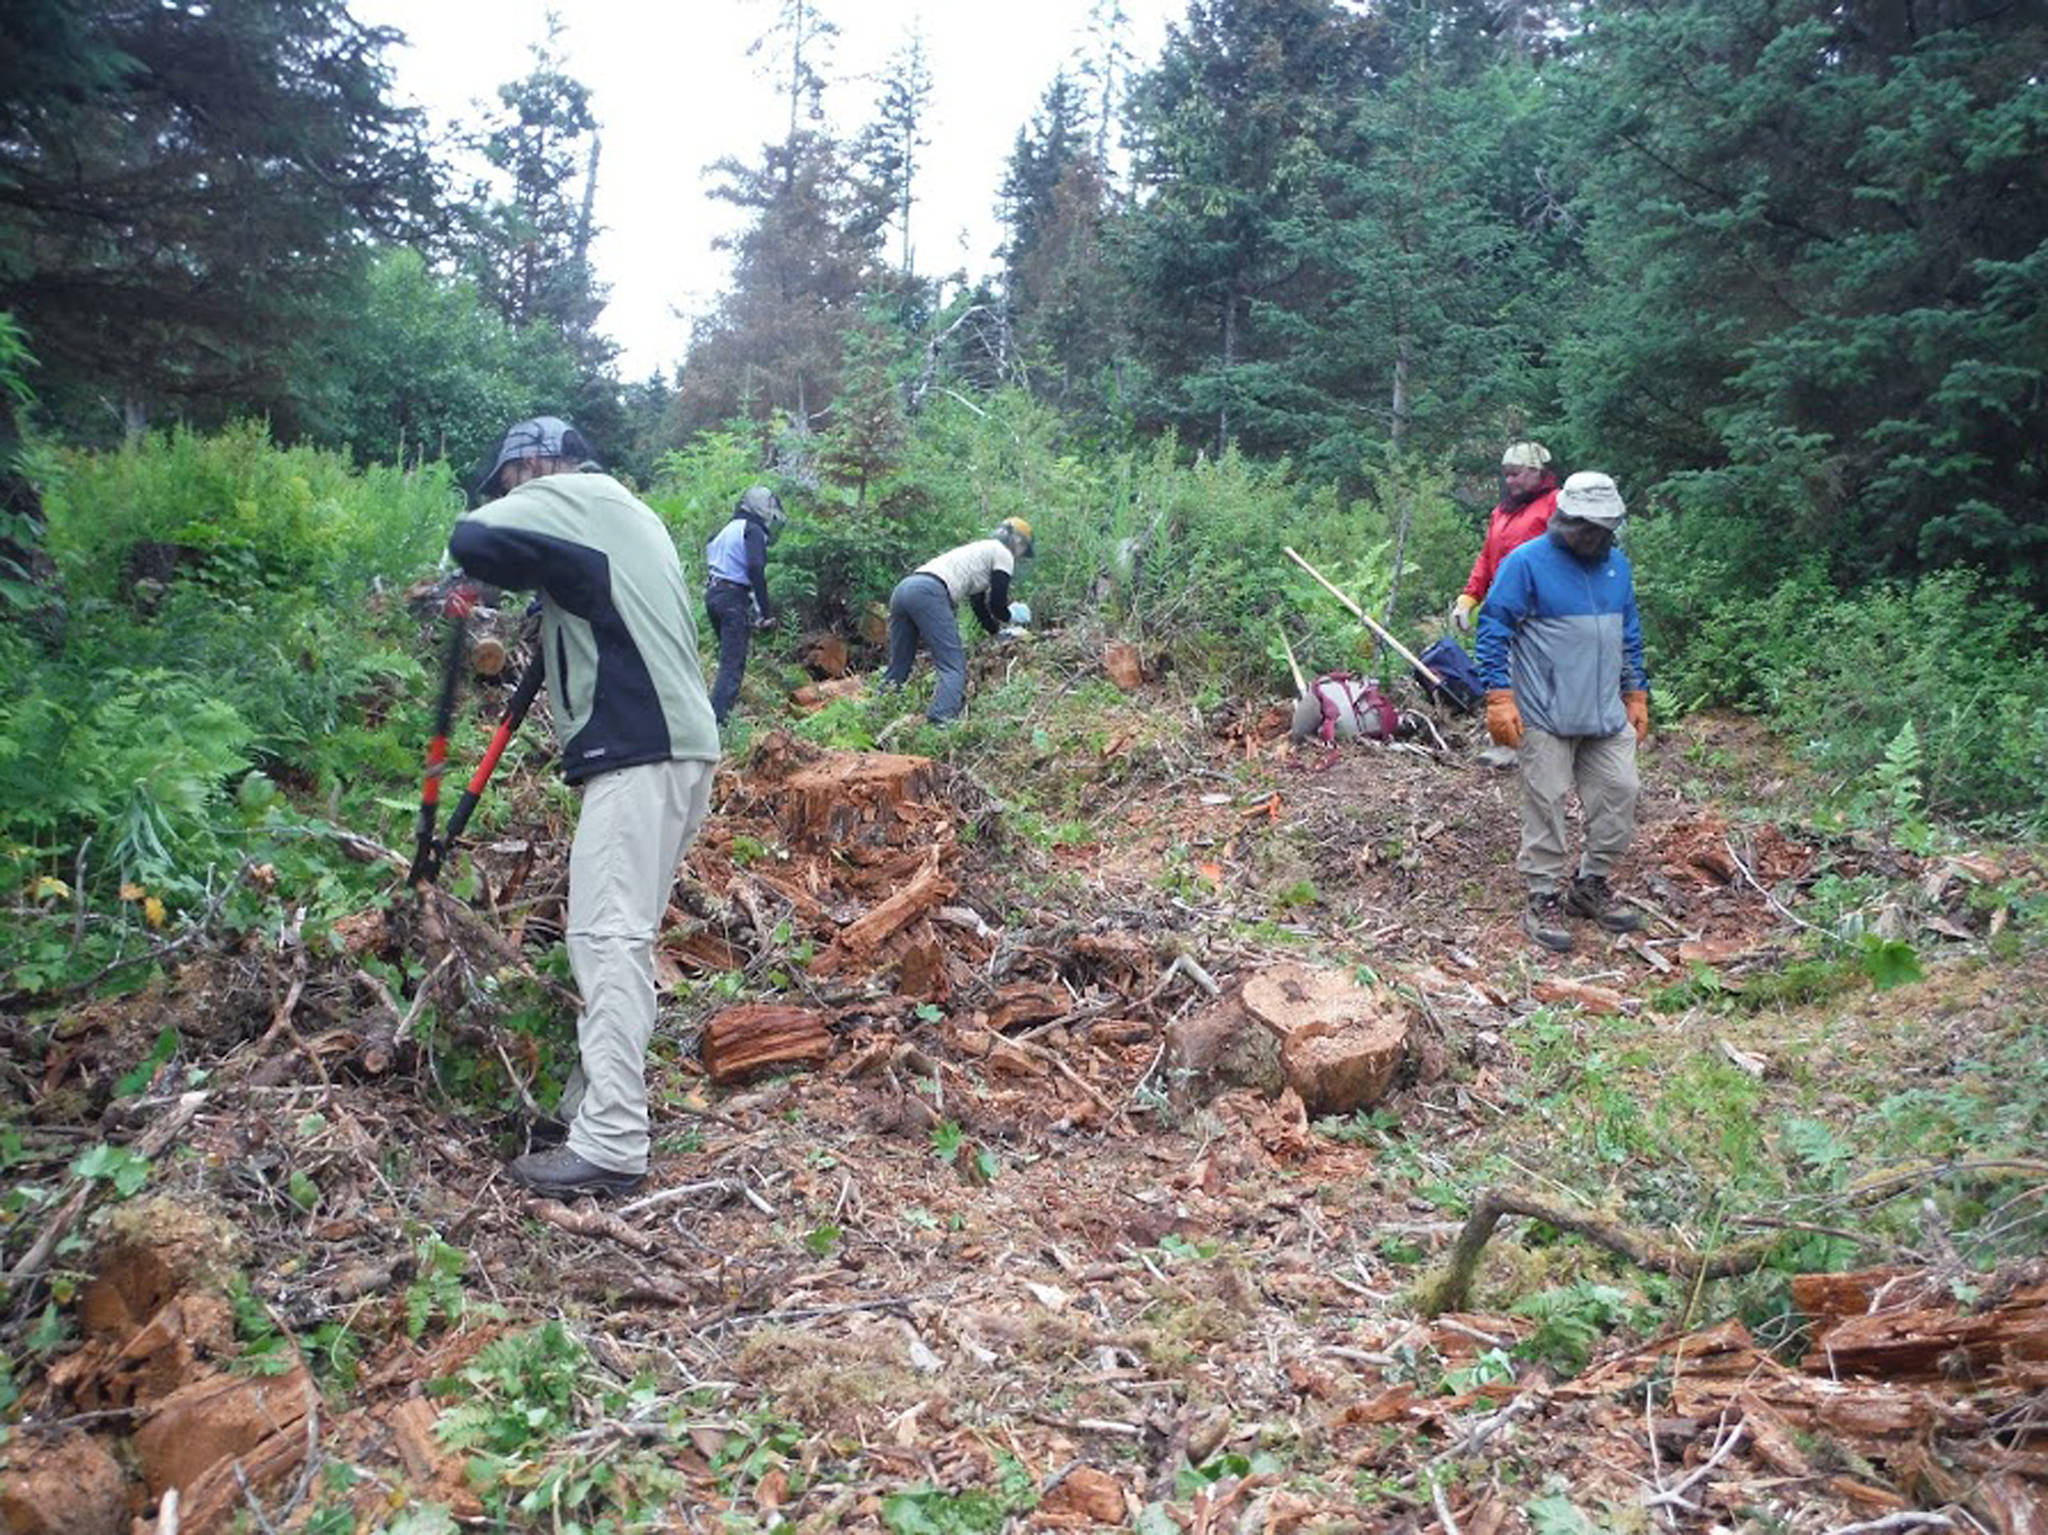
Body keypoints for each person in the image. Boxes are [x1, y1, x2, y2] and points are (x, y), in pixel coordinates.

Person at [447, 417, 721, 1196]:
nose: (510, 496)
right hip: (674, 745)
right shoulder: (621, 513)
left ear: (535, 466)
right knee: (613, 933)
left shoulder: (578, 494)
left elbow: (475, 538)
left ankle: (610, 1142)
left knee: (605, 936)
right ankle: (588, 1104)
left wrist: (466, 581)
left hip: (642, 748)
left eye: (511, 483)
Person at [1475, 471, 1651, 953]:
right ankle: (1543, 894)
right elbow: (1492, 629)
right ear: (1566, 520)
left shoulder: (1616, 567)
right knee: (1546, 799)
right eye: (1589, 527)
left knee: (1621, 790)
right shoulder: (1525, 564)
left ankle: (1590, 885)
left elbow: (1628, 630)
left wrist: (1636, 692)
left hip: (1603, 711)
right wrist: (1498, 696)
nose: (1598, 537)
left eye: (1606, 528)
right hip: (1543, 712)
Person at [883, 517, 1032, 723]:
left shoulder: (980, 551)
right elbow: (997, 605)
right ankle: (941, 721)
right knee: (953, 665)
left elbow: (979, 605)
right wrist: (1013, 615)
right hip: (929, 592)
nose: (1021, 554)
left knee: (899, 665)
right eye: (1024, 548)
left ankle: (878, 712)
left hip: (904, 589)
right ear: (1018, 541)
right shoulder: (1003, 554)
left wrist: (997, 633)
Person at [1450, 442, 1560, 636]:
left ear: (1536, 471)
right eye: (1506, 474)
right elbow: (1486, 558)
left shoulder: (1556, 503)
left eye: (1515, 474)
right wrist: (1468, 598)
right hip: (1503, 610)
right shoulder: (1501, 512)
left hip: (1544, 615)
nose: (1509, 481)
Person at [704, 485, 786, 726]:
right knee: (732, 665)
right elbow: (755, 569)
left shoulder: (728, 529)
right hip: (732, 599)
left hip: (714, 594)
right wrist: (766, 612)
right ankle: (717, 725)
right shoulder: (752, 530)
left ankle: (716, 714)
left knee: (726, 660)